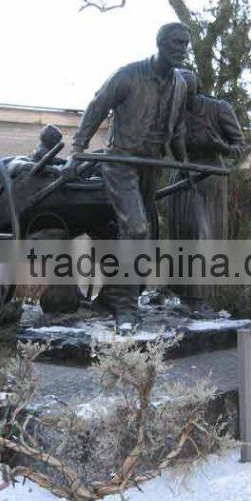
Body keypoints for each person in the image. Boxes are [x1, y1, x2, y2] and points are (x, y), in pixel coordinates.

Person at [66, 22, 191, 329]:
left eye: (185, 44)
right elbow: (97, 106)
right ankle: (126, 308)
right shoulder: (129, 75)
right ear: (160, 44)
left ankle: (115, 294)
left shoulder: (180, 85)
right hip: (120, 163)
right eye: (176, 43)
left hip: (150, 167)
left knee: (146, 235)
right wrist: (78, 147)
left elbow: (176, 132)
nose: (182, 50)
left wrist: (185, 165)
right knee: (136, 230)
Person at [168, 69, 249, 308]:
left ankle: (204, 299)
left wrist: (220, 146)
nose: (185, 100)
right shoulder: (172, 111)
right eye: (180, 94)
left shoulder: (218, 108)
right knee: (182, 235)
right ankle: (185, 297)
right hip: (182, 177)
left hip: (210, 177)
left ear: (197, 89)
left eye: (189, 94)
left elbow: (239, 147)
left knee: (204, 234)